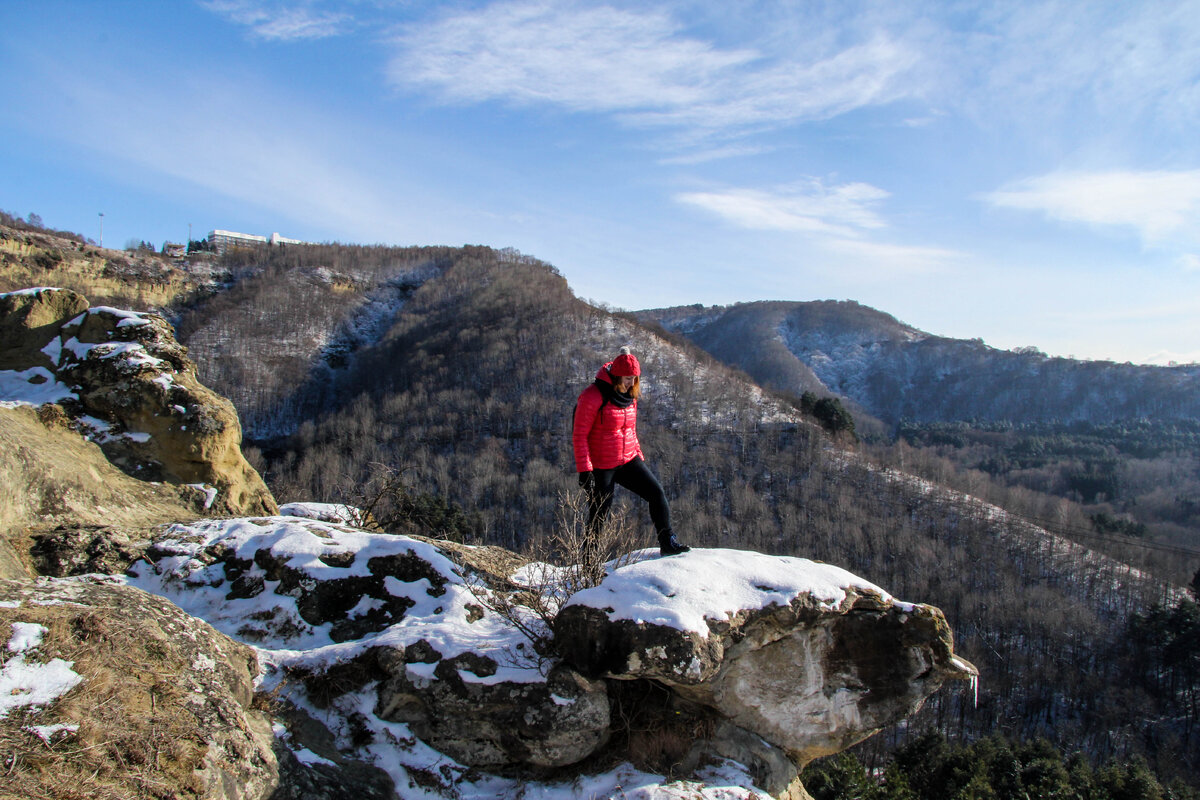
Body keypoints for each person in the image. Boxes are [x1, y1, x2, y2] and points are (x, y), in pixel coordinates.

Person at [573, 347, 690, 556]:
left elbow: (629, 429)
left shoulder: (630, 397)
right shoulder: (592, 395)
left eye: (635, 379)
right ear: (617, 376)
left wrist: (638, 455)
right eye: (628, 378)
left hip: (627, 460)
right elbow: (579, 434)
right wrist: (584, 470)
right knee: (599, 514)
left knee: (656, 493)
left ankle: (667, 542)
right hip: (601, 465)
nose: (631, 383)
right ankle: (589, 564)